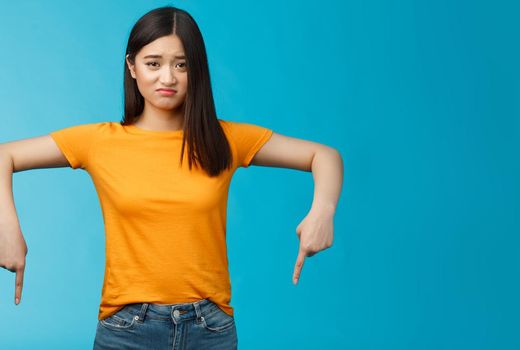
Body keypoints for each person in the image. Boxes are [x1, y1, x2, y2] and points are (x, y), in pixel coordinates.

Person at [0, 6, 343, 349]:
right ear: (132, 66)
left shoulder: (225, 139)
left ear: (197, 70)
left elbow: (324, 157)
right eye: (154, 63)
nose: (168, 77)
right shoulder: (99, 142)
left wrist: (322, 211)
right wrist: (7, 225)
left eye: (181, 64)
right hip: (126, 330)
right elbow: (5, 154)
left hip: (209, 330)